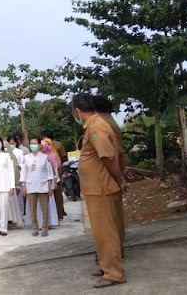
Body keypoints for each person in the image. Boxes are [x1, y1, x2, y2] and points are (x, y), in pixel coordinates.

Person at [73, 94, 127, 288]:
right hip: (97, 187)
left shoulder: (96, 127)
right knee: (104, 231)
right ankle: (108, 267)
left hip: (101, 187)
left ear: (77, 111)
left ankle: (114, 273)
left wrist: (120, 179)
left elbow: (108, 157)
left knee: (105, 231)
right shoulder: (96, 125)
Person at [93, 95, 127, 256]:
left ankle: (113, 253)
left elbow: (113, 154)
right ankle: (113, 251)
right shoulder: (107, 122)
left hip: (109, 177)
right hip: (109, 176)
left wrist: (120, 177)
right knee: (113, 218)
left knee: (111, 220)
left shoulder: (102, 124)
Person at [20, 137, 54, 237]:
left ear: (39, 145)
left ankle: (45, 227)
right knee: (32, 208)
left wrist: (50, 185)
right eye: (31, 143)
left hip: (43, 185)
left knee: (44, 208)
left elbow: (49, 172)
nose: (33, 145)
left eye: (35, 143)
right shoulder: (26, 158)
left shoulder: (44, 157)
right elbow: (23, 173)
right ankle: (35, 227)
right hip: (30, 185)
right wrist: (23, 185)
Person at [42, 131, 67, 220]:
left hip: (56, 173)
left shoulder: (53, 153)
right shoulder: (43, 155)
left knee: (58, 194)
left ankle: (59, 212)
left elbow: (63, 157)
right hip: (48, 176)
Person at [5, 137, 25, 228]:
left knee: (13, 205)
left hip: (11, 186)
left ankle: (13, 220)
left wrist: (16, 185)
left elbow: (17, 170)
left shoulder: (13, 158)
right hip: (2, 187)